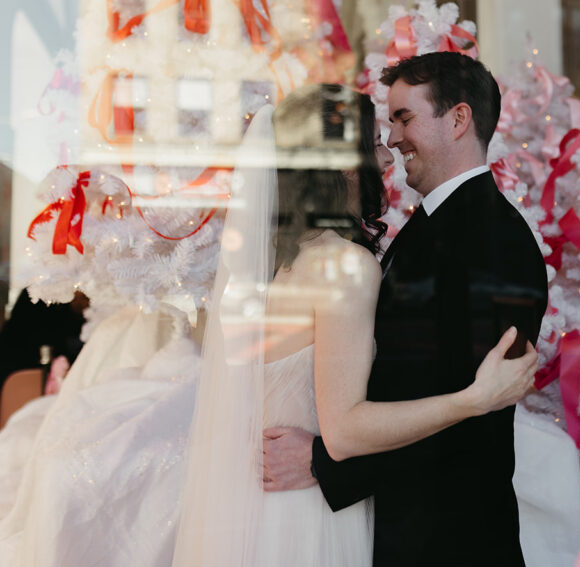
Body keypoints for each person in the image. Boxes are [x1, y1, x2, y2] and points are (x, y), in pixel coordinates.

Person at [175, 83, 537, 566]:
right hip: (312, 516)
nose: (388, 159)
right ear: (345, 160)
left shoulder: (274, 264)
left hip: (263, 513)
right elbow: (344, 431)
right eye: (374, 144)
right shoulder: (342, 266)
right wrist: (472, 400)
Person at [262, 52, 550, 566]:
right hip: (406, 532)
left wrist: (326, 461)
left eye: (404, 119)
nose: (392, 140)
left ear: (458, 119)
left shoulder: (495, 239)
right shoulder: (428, 224)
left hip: (452, 541)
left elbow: (473, 407)